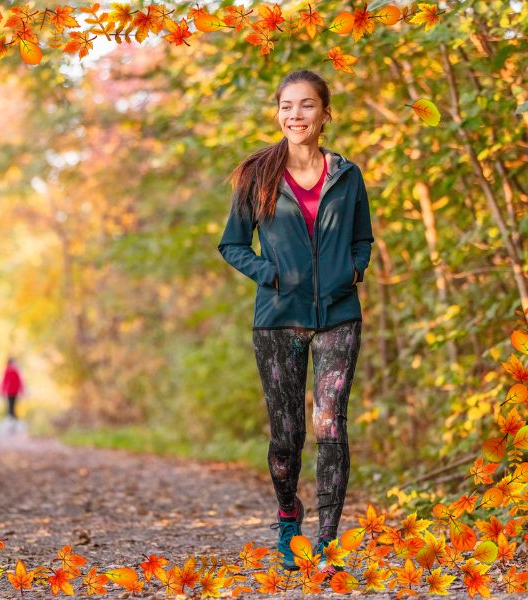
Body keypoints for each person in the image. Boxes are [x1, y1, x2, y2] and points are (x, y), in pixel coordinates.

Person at [217, 69, 373, 574]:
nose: (296, 115)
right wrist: (270, 274)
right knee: (286, 436)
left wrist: (353, 270)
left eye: (307, 106)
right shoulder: (257, 175)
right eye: (287, 106)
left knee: (330, 424)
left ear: (325, 113)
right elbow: (232, 244)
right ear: (277, 112)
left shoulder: (347, 176)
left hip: (338, 316)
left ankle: (325, 541)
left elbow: (362, 239)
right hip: (278, 319)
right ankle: (289, 517)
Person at [0, 357, 25, 423]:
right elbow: (4, 381)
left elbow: (19, 381)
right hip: (9, 391)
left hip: (15, 391)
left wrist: (21, 390)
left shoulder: (16, 371)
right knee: (10, 405)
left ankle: (13, 418)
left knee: (13, 405)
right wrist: (2, 390)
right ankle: (10, 418)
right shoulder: (7, 371)